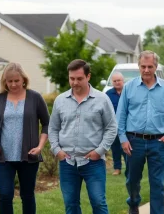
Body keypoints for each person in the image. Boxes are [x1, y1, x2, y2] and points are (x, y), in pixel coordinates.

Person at [48, 59, 117, 214]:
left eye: (79, 78)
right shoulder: (60, 101)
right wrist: (56, 150)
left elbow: (111, 127)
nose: (75, 82)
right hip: (67, 162)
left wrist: (100, 151)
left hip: (93, 162)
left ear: (88, 77)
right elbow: (53, 128)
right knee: (71, 205)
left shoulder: (102, 99)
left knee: (98, 203)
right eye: (72, 78)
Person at [117, 50, 164, 214]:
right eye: (143, 66)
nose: (146, 70)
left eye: (150, 66)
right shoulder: (129, 87)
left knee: (158, 183)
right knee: (132, 180)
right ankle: (133, 203)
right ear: (138, 66)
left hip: (157, 143)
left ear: (156, 66)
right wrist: (123, 139)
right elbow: (121, 115)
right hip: (133, 142)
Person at [0, 62, 50, 214]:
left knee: (27, 195)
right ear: (5, 81)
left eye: (16, 81)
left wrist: (40, 147)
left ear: (23, 80)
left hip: (28, 156)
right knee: (5, 195)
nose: (13, 84)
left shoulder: (35, 98)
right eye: (9, 81)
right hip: (2, 157)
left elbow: (47, 123)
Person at [106, 72, 126, 176]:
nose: (117, 82)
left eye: (119, 80)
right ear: (112, 82)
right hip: (113, 126)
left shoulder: (128, 92)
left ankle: (130, 168)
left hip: (127, 126)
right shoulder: (108, 94)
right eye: (115, 81)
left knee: (127, 147)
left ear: (123, 81)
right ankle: (117, 168)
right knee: (115, 148)